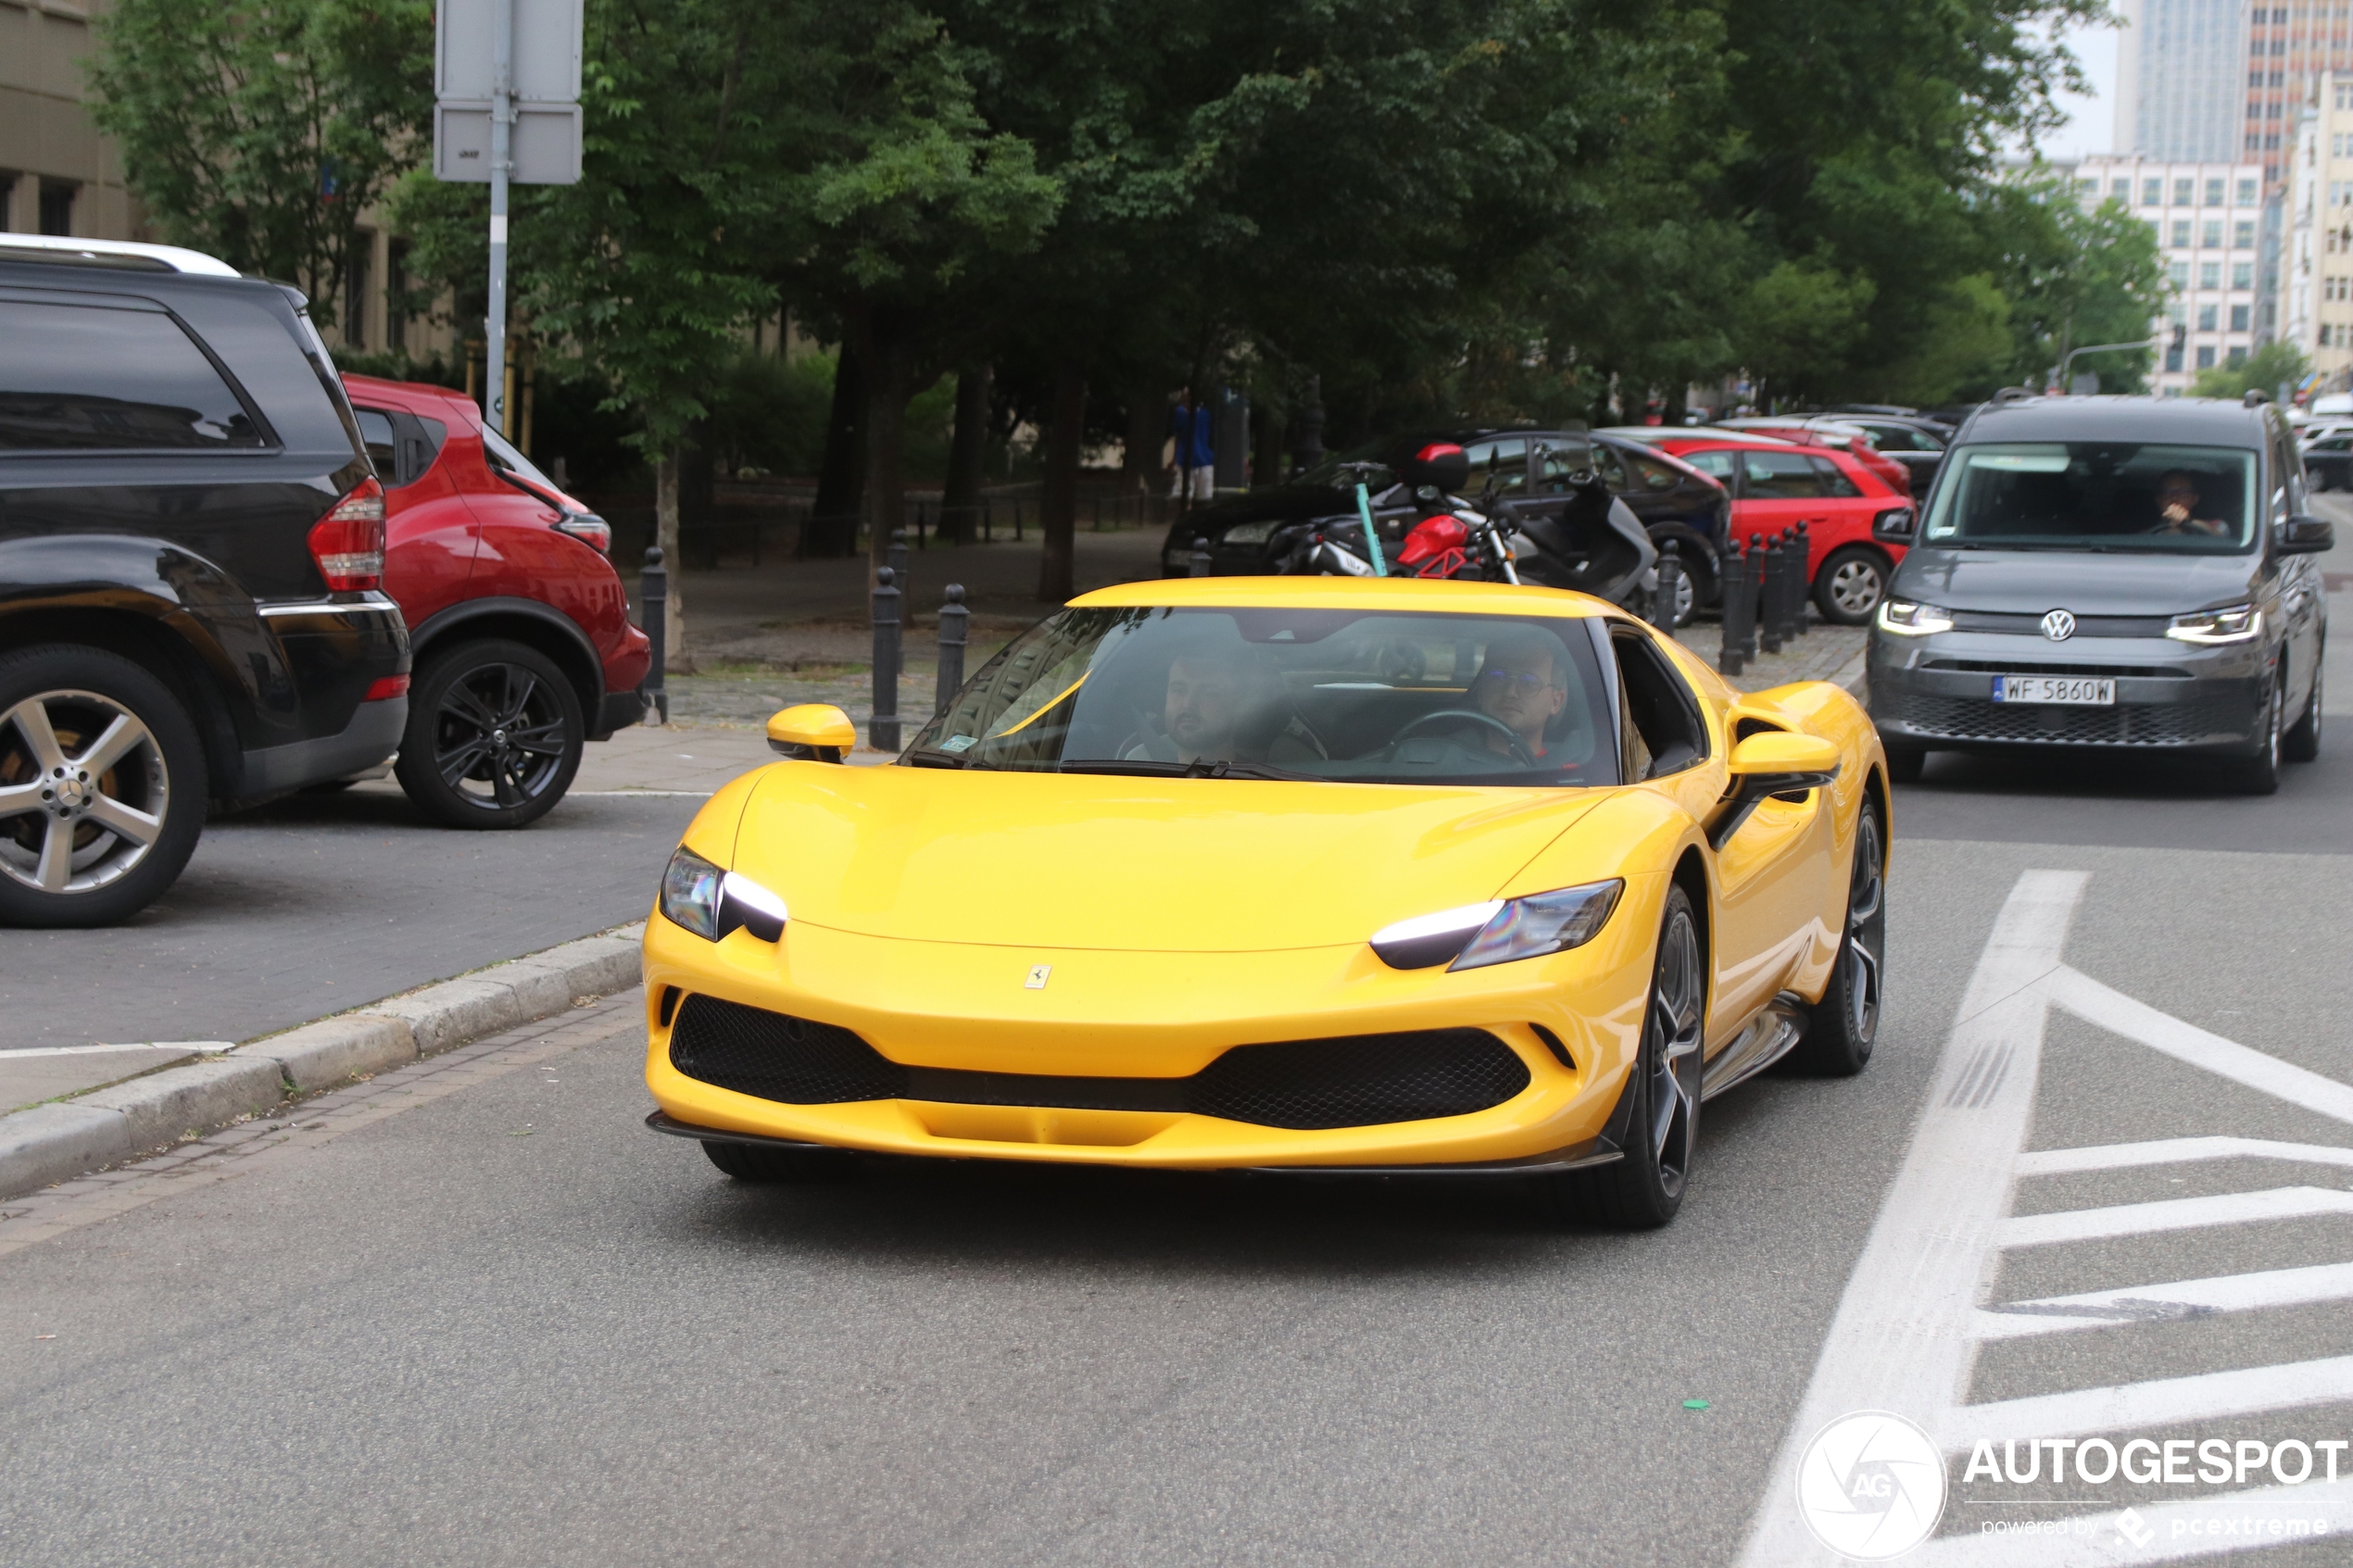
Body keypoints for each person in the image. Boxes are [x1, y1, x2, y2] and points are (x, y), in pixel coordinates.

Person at [1122, 647, 1324, 765]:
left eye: (1209, 693)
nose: (1188, 704)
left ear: (1240, 705)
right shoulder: (1126, 772)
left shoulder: (1274, 789)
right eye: (1178, 689)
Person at [1463, 628, 1569, 760]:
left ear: (1556, 702)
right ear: (1481, 690)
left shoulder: (1569, 775)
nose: (1510, 692)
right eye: (1498, 677)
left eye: (1529, 682)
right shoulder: (1443, 762)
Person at [2151, 470, 2230, 537]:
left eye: (2182, 493)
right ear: (2158, 499)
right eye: (2167, 493)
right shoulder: (2147, 535)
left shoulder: (2217, 525)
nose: (2174, 498)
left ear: (2195, 499)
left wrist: (2189, 522)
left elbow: (2225, 542)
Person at [1168, 391, 1214, 503]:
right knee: (1191, 497)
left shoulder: (1202, 414)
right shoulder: (1203, 414)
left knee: (1196, 498)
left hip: (1196, 461)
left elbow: (1177, 437)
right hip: (1194, 461)